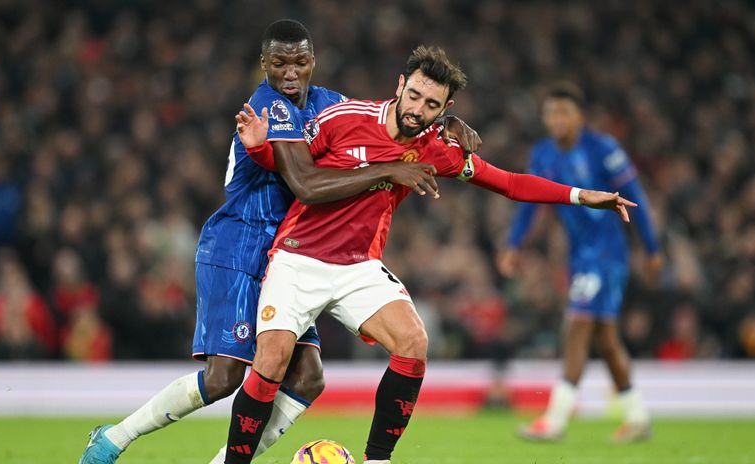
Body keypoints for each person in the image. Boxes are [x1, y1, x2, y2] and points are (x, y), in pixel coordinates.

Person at [78, 20, 477, 464]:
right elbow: (306, 183)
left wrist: (443, 123)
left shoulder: (330, 103)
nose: (290, 73)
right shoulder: (266, 104)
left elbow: (386, 119)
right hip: (240, 242)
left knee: (307, 379)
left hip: (293, 251)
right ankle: (114, 438)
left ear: (313, 63)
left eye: (300, 62)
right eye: (280, 63)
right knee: (224, 375)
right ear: (264, 64)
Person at [225, 46, 637, 464]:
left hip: (357, 266)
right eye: (416, 96)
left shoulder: (435, 147)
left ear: (446, 108)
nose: (419, 110)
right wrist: (260, 151)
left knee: (412, 343)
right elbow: (296, 173)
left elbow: (509, 183)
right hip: (299, 257)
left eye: (432, 105)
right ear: (400, 85)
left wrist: (581, 195)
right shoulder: (344, 118)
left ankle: (378, 460)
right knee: (272, 360)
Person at [497, 81, 663, 443]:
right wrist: (514, 245)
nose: (556, 119)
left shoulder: (603, 149)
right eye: (550, 112)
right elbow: (529, 201)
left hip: (607, 253)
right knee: (604, 339)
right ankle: (637, 417)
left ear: (579, 116)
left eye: (563, 112)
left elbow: (637, 198)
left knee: (577, 325)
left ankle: (555, 419)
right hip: (579, 254)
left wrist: (652, 248)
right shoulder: (543, 154)